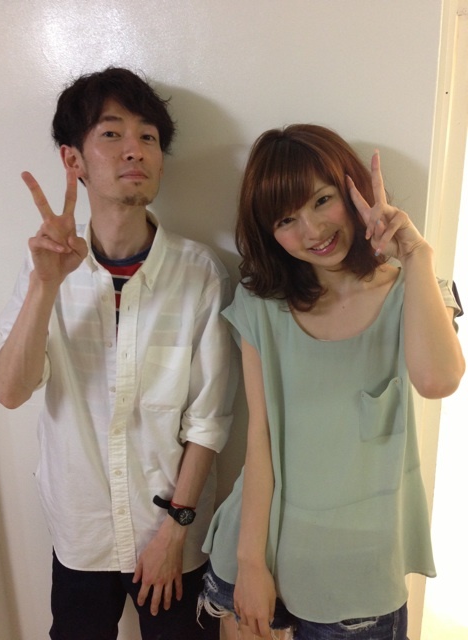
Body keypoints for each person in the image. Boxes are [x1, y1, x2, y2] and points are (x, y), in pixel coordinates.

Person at [0, 67, 236, 640]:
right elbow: (10, 391)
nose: (135, 149)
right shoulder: (43, 266)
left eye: (148, 136)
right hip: (82, 532)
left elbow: (208, 421)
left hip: (171, 533)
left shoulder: (199, 273)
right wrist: (46, 284)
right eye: (111, 133)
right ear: (72, 159)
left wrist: (175, 532)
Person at [198, 124, 465, 640]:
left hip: (356, 576)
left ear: (352, 191)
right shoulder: (261, 304)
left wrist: (416, 255)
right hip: (256, 551)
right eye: (286, 219)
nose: (313, 230)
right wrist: (250, 562)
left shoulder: (415, 289)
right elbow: (260, 437)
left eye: (322, 200)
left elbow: (437, 381)